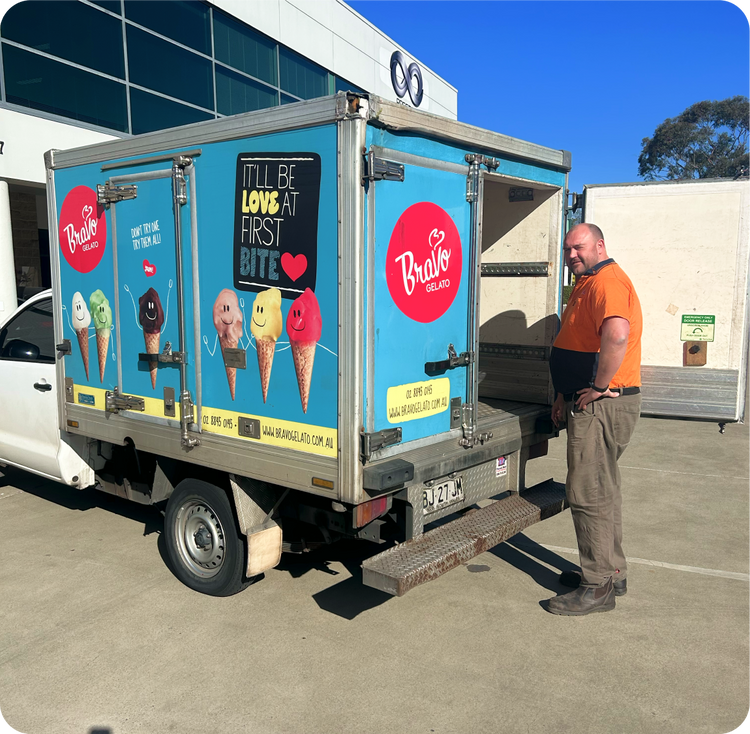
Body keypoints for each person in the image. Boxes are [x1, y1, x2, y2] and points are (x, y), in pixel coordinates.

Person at [546, 223, 643, 616]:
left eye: (579, 247)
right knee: (604, 489)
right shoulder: (588, 282)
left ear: (599, 245)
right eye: (568, 249)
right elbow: (579, 340)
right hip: (584, 400)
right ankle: (610, 570)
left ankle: (596, 586)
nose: (572, 255)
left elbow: (616, 336)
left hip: (601, 407)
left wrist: (600, 387)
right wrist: (562, 393)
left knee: (587, 492)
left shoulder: (608, 282)